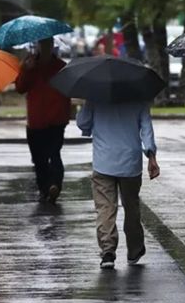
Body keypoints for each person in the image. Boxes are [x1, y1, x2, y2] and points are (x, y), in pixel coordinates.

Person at [77, 99, 160, 269]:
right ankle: (134, 249)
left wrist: (88, 103)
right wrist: (151, 155)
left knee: (105, 208)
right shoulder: (138, 97)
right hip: (130, 162)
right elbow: (146, 128)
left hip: (103, 162)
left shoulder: (96, 96)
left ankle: (108, 251)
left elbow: (83, 123)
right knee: (131, 206)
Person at [16, 38, 71, 203]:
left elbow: (68, 90)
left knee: (54, 154)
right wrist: (26, 70)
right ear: (38, 46)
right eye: (43, 44)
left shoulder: (61, 67)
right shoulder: (30, 65)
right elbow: (20, 88)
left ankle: (54, 185)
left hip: (56, 119)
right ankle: (44, 189)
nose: (45, 48)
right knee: (39, 158)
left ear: (52, 46)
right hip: (36, 120)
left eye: (48, 44)